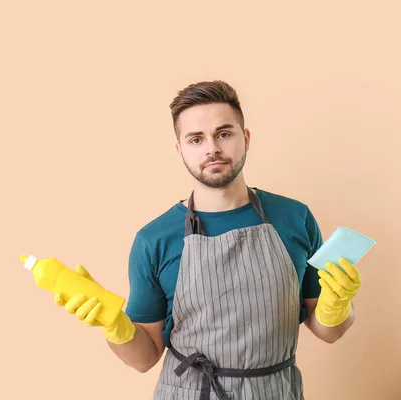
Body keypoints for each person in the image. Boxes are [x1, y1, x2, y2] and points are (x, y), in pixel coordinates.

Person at [53, 80, 362, 400]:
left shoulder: (295, 218)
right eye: (196, 139)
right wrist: (114, 326)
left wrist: (337, 309)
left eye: (224, 133)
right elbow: (144, 358)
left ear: (246, 138)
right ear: (180, 150)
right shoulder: (154, 239)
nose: (212, 147)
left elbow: (329, 332)